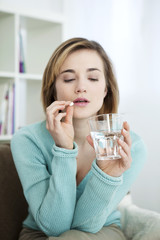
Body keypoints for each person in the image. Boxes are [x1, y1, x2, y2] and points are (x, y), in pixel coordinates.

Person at [11, 37, 147, 240]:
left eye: (92, 78)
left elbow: (88, 226)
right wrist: (64, 150)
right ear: (53, 89)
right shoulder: (27, 140)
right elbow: (54, 227)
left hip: (102, 231)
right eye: (68, 79)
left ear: (105, 89)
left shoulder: (131, 146)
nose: (81, 87)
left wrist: (106, 175)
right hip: (40, 233)